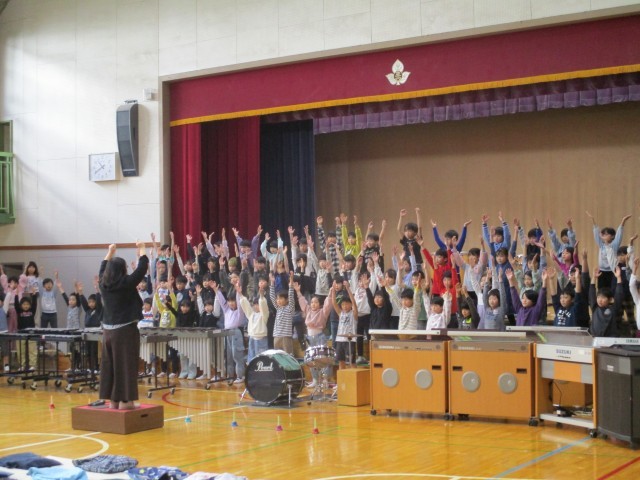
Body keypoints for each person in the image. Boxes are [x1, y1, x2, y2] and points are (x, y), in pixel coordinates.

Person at [98, 242, 149, 410]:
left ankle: (114, 401)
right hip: (125, 331)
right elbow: (141, 269)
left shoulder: (103, 284)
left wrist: (109, 252)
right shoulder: (126, 283)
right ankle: (126, 402)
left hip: (107, 332)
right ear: (122, 270)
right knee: (126, 365)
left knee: (111, 365)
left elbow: (102, 267)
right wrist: (142, 248)